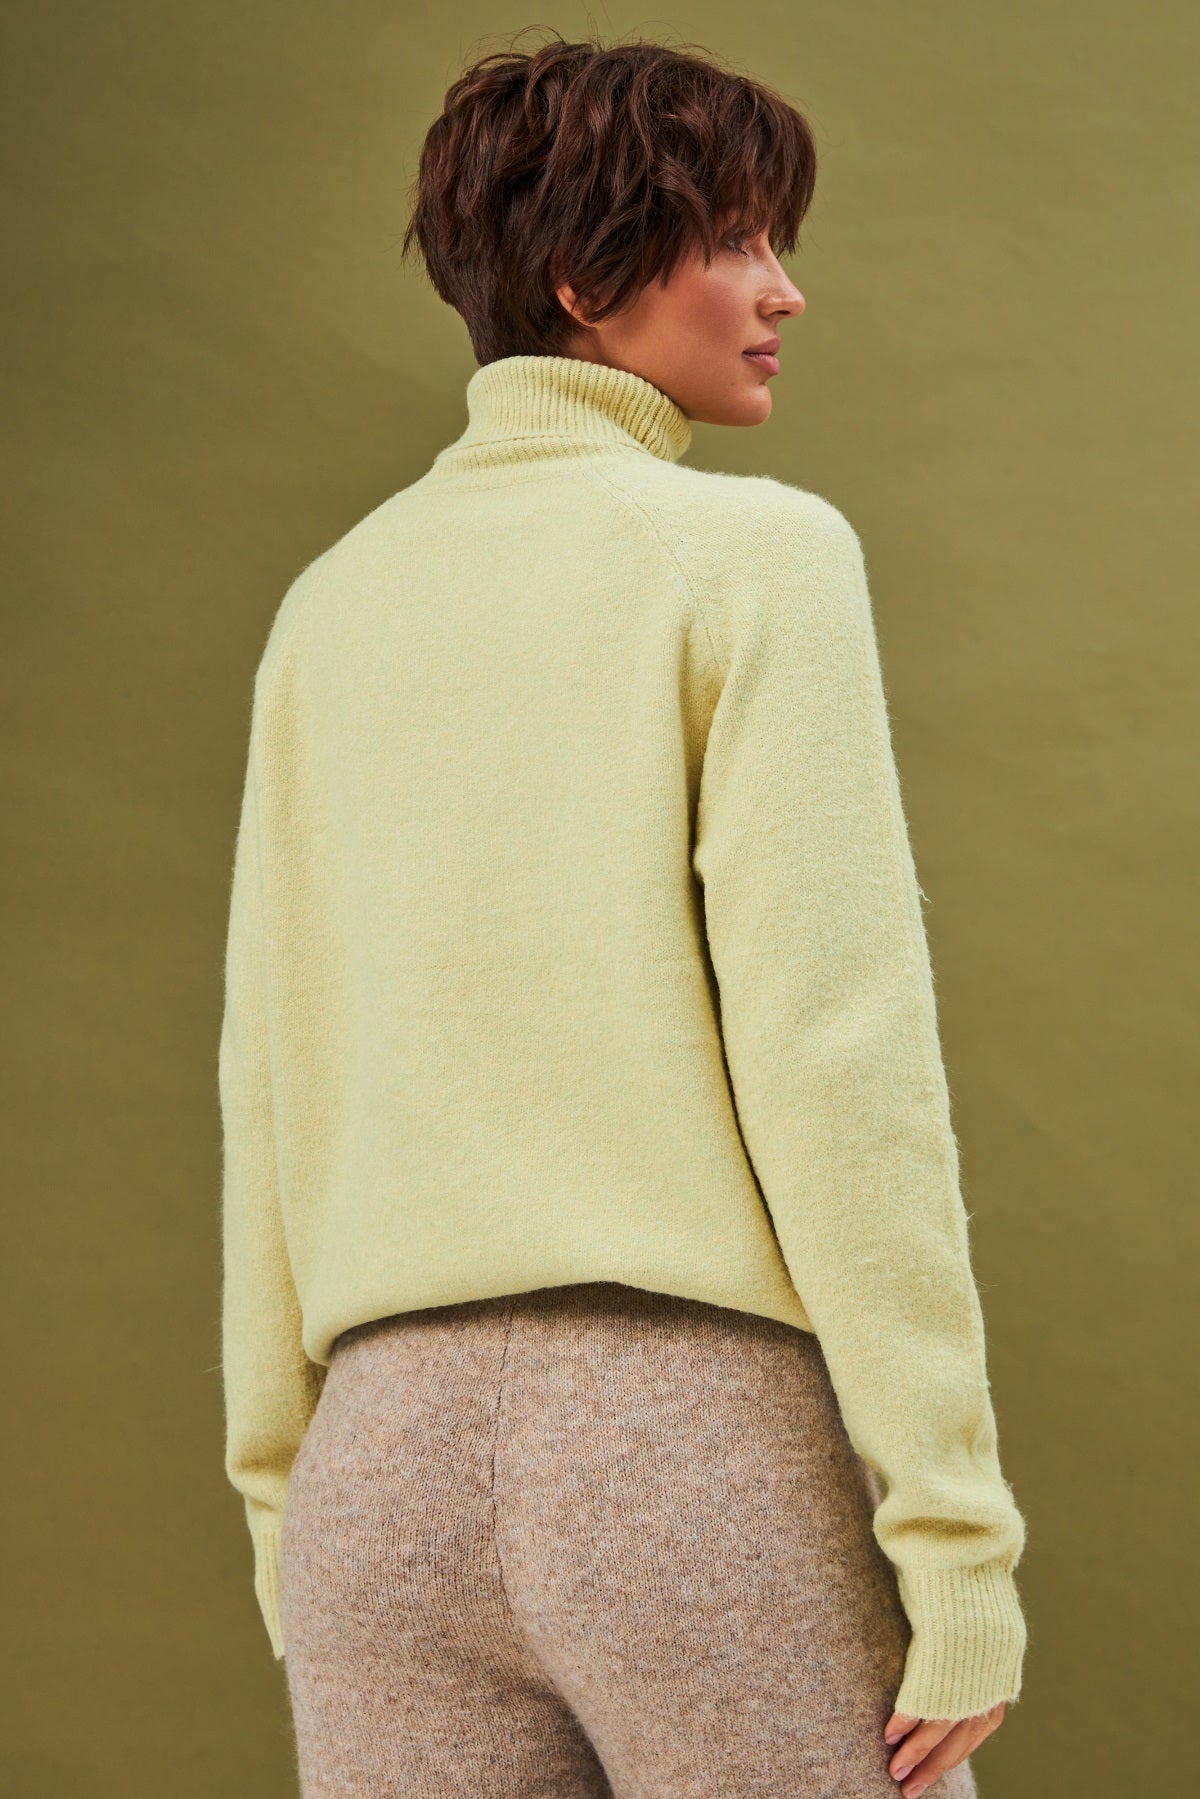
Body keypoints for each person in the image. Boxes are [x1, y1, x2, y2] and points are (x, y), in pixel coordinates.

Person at [218, 31, 1028, 1798]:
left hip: (377, 1472)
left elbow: (269, 1073)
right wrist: (954, 1530)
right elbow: (838, 1056)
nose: (784, 290)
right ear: (587, 281)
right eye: (734, 239)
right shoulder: (756, 560)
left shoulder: (327, 608)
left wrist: (287, 1499)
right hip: (684, 1452)